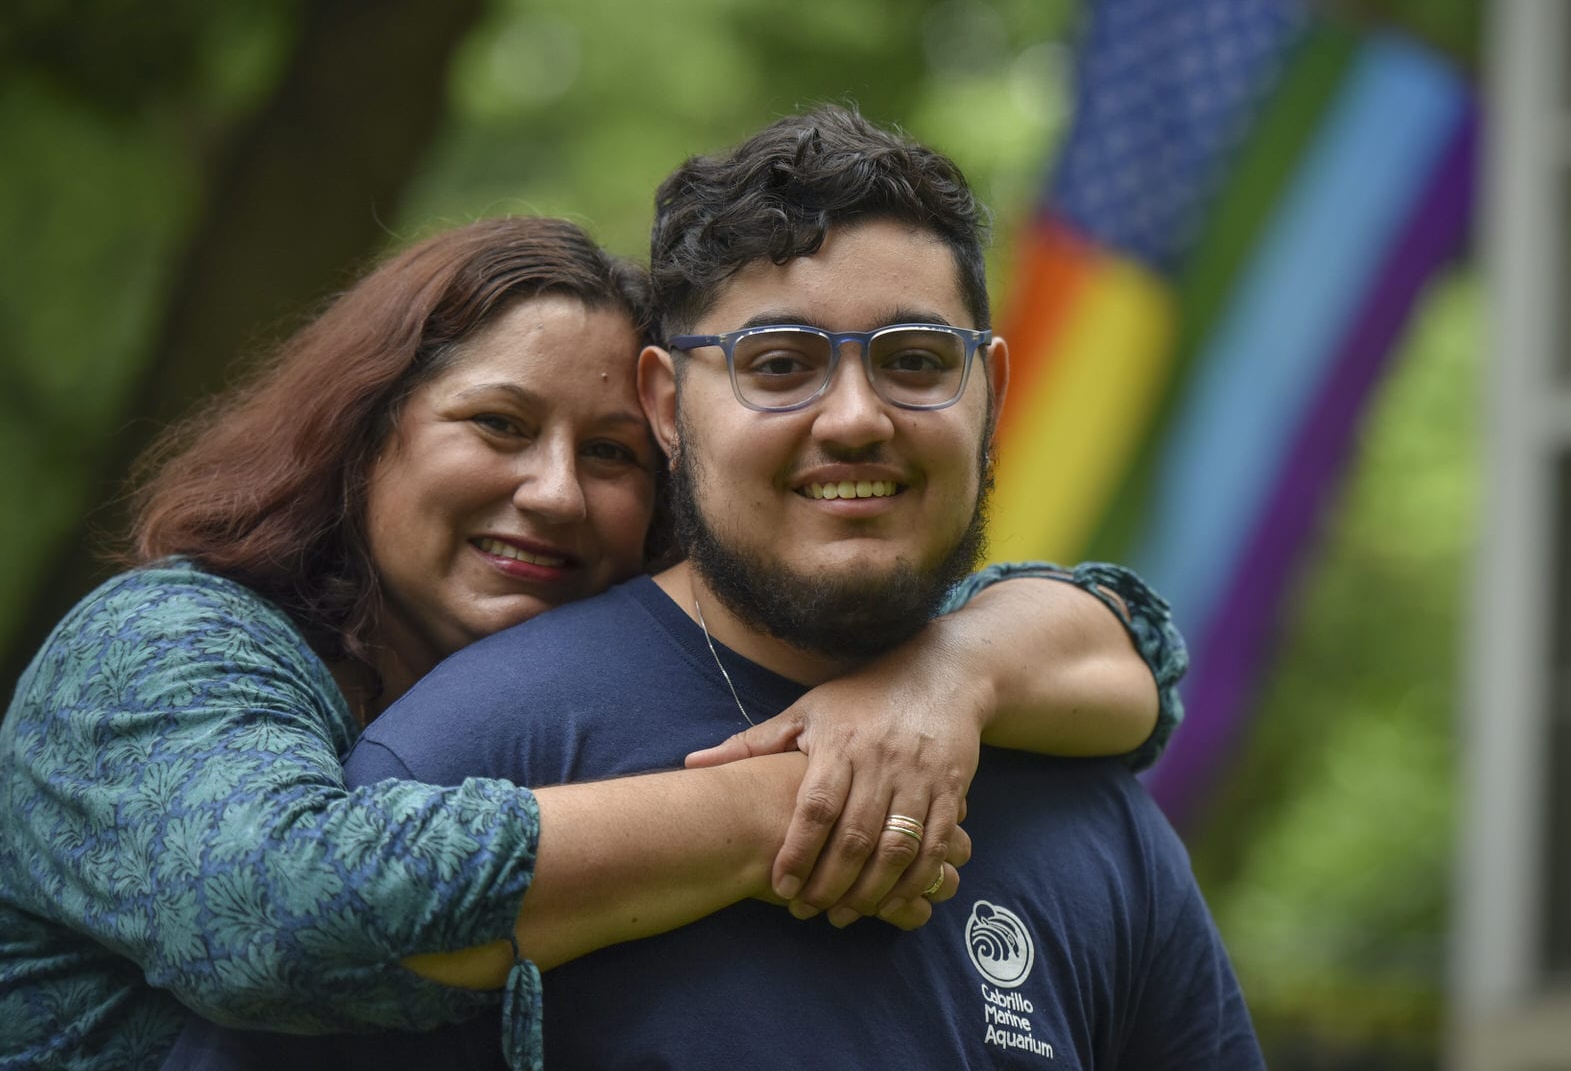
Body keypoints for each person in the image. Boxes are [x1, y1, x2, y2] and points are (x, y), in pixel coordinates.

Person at [195, 107, 1263, 1068]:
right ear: (666, 406)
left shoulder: (1081, 785)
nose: (855, 417)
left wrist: (957, 677)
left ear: (991, 389)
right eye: (781, 363)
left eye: (915, 361)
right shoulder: (469, 754)